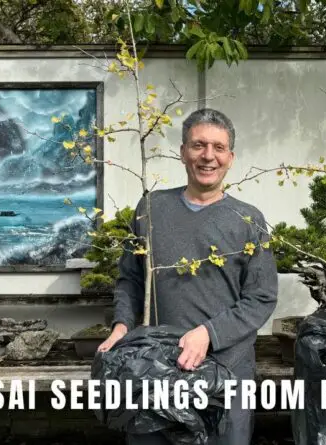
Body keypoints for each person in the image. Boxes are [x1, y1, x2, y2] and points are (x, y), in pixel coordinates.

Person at [97, 108, 279, 445]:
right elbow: (130, 279)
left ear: (230, 157)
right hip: (156, 369)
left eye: (218, 147)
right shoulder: (151, 209)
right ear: (183, 152)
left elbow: (261, 297)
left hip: (225, 372)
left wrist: (209, 334)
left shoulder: (248, 220)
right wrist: (122, 325)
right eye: (198, 145)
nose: (208, 156)